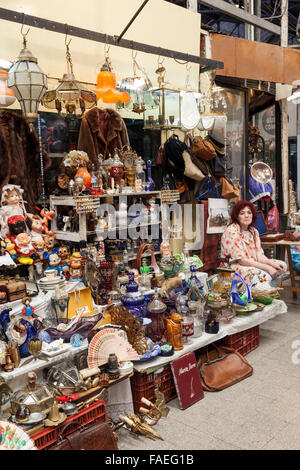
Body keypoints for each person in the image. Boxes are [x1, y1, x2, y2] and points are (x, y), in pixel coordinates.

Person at [221, 200, 287, 287]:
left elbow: (259, 255)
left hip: (252, 263)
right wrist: (267, 267)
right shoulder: (231, 231)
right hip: (235, 268)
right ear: (237, 216)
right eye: (242, 213)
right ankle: (260, 294)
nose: (246, 216)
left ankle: (266, 293)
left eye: (249, 212)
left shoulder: (253, 231)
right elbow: (242, 261)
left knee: (282, 266)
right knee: (265, 276)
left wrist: (270, 263)